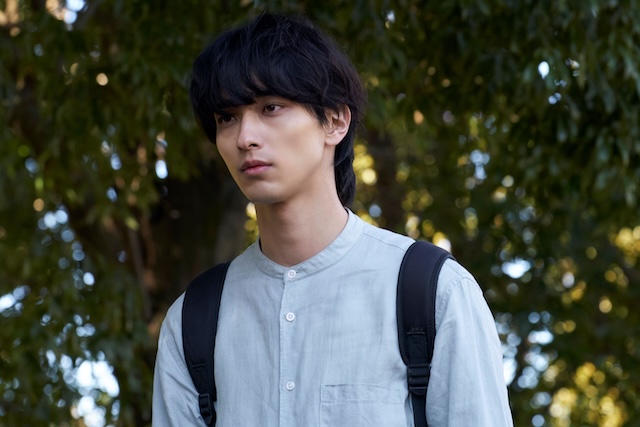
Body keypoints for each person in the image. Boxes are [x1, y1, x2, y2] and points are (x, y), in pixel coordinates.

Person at [152, 12, 513, 427]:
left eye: (271, 107)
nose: (244, 137)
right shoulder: (193, 320)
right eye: (226, 118)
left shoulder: (433, 293)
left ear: (336, 121)